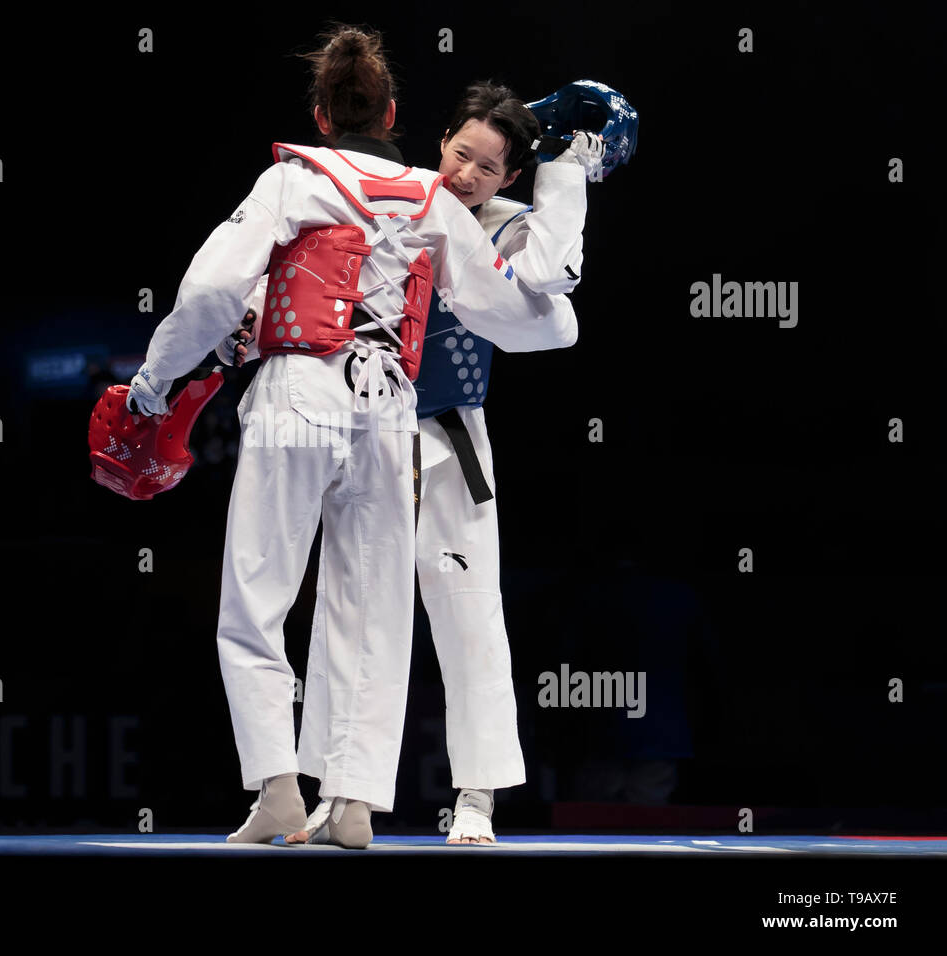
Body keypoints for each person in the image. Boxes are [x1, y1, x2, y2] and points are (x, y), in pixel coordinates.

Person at [128, 29, 580, 848]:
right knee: (374, 607)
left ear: (319, 116)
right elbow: (516, 318)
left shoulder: (294, 178)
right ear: (405, 119)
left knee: (259, 600)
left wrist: (155, 382)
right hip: (390, 411)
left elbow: (208, 288)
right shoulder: (430, 195)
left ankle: (277, 787)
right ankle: (359, 800)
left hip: (301, 394)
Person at [282, 82, 601, 845]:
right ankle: (337, 791)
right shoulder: (400, 205)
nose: (466, 175)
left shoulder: (509, 226)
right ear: (441, 143)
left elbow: (557, 302)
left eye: (488, 168)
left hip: (453, 440)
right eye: (461, 154)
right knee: (346, 611)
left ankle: (478, 797)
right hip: (367, 435)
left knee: (467, 615)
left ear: (509, 179)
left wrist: (565, 172)